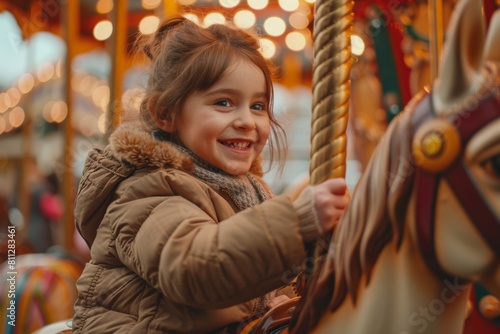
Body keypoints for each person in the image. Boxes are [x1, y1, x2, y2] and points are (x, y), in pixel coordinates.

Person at [72, 16, 348, 334]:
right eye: (223, 102)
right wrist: (296, 224)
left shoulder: (240, 191)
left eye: (258, 106)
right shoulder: (148, 188)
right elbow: (196, 270)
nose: (247, 120)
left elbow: (244, 276)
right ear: (166, 113)